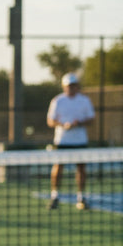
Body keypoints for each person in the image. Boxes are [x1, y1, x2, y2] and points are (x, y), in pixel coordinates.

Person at [47, 71, 96, 210]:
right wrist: (63, 125)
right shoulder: (57, 101)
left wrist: (78, 123)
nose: (72, 88)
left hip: (80, 140)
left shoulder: (84, 100)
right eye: (69, 85)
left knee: (81, 168)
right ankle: (55, 196)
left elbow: (92, 118)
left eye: (74, 85)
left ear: (77, 86)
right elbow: (50, 121)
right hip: (62, 140)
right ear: (64, 86)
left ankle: (81, 197)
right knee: (58, 167)